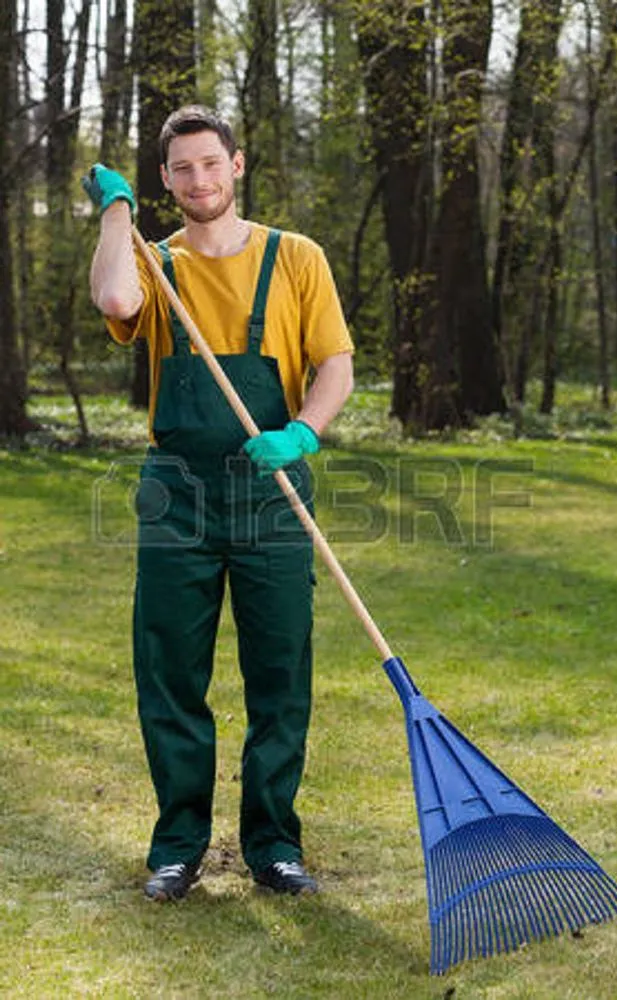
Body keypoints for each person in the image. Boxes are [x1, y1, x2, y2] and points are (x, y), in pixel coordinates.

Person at [84, 104, 354, 901]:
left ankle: (274, 844)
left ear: (237, 166)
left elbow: (335, 363)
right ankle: (178, 845)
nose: (198, 179)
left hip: (272, 493)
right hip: (179, 496)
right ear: (166, 182)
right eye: (181, 170)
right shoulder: (152, 261)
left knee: (280, 674)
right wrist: (115, 211)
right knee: (169, 673)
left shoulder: (297, 257)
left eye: (210, 163)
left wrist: (303, 433)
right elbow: (113, 301)